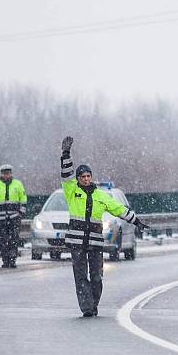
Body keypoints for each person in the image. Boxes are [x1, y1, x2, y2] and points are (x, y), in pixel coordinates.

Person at [60, 136, 149, 317]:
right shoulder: (71, 191)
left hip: (95, 241)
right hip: (77, 242)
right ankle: (86, 307)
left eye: (88, 176)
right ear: (78, 179)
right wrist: (66, 154)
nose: (85, 179)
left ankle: (93, 303)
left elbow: (119, 209)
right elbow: (66, 174)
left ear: (91, 177)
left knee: (96, 276)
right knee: (80, 275)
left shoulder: (101, 195)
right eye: (82, 176)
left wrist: (136, 221)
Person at [0, 164, 27, 268]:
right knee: (3, 240)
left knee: (14, 239)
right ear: (1, 174)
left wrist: (21, 212)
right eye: (4, 173)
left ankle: (12, 261)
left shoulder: (18, 184)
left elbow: (23, 198)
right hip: (0, 218)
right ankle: (5, 261)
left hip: (14, 217)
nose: (6, 175)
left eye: (8, 173)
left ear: (11, 173)